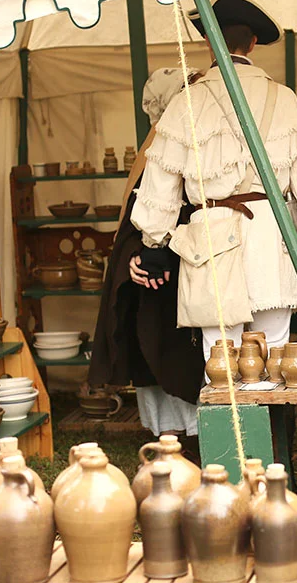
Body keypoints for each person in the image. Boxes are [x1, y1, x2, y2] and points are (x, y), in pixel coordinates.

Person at [130, 0, 297, 370]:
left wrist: (154, 245)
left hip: (210, 237)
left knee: (219, 357)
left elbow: (160, 179)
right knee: (275, 357)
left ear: (209, 42)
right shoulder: (284, 98)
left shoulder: (187, 101)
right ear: (253, 43)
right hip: (272, 235)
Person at [88, 67, 204, 443]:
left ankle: (198, 444)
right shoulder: (157, 149)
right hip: (163, 273)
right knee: (162, 349)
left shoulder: (208, 141)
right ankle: (173, 447)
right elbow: (135, 221)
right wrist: (138, 257)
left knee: (196, 355)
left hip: (197, 266)